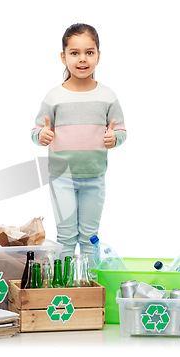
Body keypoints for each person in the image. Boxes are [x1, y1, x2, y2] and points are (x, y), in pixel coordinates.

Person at [31, 23, 127, 260]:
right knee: (65, 237)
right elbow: (36, 131)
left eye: (89, 52)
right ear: (63, 57)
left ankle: (88, 286)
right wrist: (41, 135)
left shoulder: (107, 96)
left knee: (89, 237)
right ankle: (64, 288)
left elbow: (122, 131)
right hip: (61, 177)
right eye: (75, 53)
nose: (82, 59)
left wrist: (114, 138)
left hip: (94, 178)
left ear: (98, 56)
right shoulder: (54, 97)